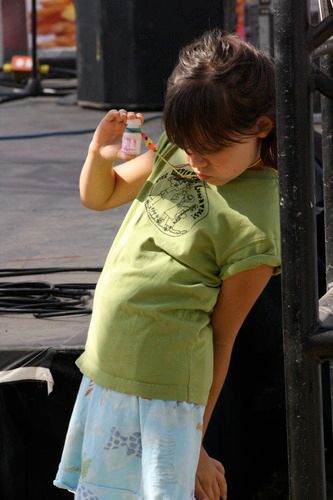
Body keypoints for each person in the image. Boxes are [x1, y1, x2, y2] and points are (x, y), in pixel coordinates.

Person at [54, 29, 280, 500]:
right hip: (109, 367)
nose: (195, 160)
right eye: (187, 144)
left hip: (164, 389)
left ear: (261, 126)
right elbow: (100, 196)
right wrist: (99, 155)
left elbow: (223, 339)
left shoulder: (258, 221)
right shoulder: (178, 152)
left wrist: (194, 442)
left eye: (210, 148)